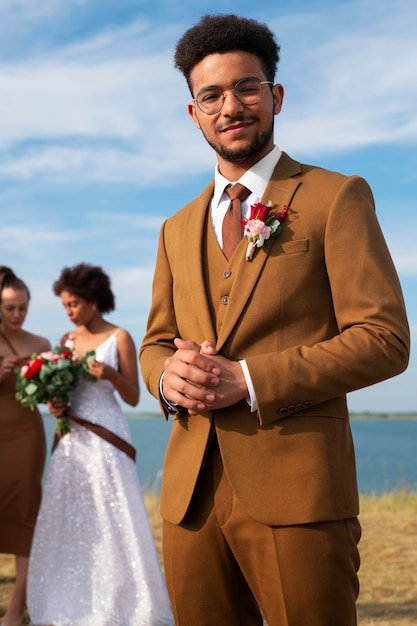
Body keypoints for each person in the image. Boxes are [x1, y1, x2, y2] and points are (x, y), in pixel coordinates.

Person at [139, 14, 410, 626]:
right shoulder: (174, 228)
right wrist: (165, 377)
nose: (230, 106)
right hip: (190, 503)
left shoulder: (336, 196)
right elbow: (155, 342)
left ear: (275, 96)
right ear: (194, 113)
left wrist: (251, 380)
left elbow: (385, 339)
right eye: (211, 95)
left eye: (247, 88)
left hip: (301, 494)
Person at [27, 263, 173, 626]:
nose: (68, 311)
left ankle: (125, 602)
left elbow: (135, 397)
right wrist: (54, 404)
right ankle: (70, 599)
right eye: (64, 305)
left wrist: (110, 374)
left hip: (107, 436)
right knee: (71, 516)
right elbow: (57, 394)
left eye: (73, 303)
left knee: (113, 513)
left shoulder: (120, 337)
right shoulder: (67, 341)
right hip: (71, 439)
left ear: (93, 300)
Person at [0, 266, 51, 626]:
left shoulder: (41, 345)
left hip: (26, 437)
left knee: (24, 517)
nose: (17, 315)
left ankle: (17, 608)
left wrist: (43, 377)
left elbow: (51, 396)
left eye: (22, 308)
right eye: (9, 309)